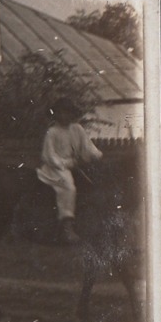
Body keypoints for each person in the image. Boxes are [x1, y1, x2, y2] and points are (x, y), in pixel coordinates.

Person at [37, 97, 103, 244]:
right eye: (61, 113)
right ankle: (66, 227)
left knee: (92, 182)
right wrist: (66, 163)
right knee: (69, 187)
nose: (64, 116)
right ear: (56, 114)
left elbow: (88, 146)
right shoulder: (52, 132)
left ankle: (90, 221)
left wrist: (96, 155)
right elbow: (48, 155)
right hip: (55, 168)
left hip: (75, 165)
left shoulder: (77, 129)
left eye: (68, 113)